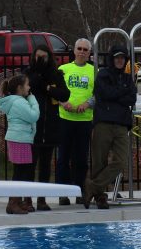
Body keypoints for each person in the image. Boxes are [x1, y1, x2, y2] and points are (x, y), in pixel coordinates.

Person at [84, 44, 137, 210]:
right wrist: (121, 92)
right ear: (111, 59)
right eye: (117, 57)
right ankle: (100, 197)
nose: (120, 60)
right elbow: (104, 94)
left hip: (121, 124)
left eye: (122, 58)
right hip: (103, 123)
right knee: (99, 161)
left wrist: (114, 94)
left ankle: (91, 186)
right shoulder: (103, 74)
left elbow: (132, 99)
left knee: (121, 161)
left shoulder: (127, 78)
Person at [25, 44, 70, 212]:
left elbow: (64, 94)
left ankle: (41, 199)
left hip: (50, 125)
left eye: (44, 57)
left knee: (45, 166)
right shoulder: (28, 73)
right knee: (30, 165)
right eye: (38, 57)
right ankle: (27, 199)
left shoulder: (55, 74)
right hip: (33, 127)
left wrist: (48, 88)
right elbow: (25, 90)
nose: (41, 60)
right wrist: (38, 77)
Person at [57, 38, 96, 205]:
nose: (81, 52)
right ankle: (62, 193)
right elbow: (55, 91)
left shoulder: (94, 71)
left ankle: (80, 191)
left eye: (85, 49)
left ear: (89, 53)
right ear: (74, 51)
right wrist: (63, 102)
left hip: (85, 120)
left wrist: (87, 104)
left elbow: (98, 94)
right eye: (79, 48)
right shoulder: (63, 69)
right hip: (65, 119)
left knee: (81, 158)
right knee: (63, 157)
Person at [0, 73, 40, 214]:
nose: (29, 87)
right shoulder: (19, 102)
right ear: (20, 88)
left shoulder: (17, 101)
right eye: (27, 85)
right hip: (20, 139)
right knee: (20, 172)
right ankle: (13, 203)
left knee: (22, 171)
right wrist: (33, 99)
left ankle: (17, 201)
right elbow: (33, 116)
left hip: (20, 139)